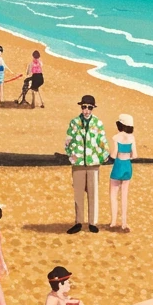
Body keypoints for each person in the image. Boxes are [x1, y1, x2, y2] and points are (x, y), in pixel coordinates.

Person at [65, 94, 109, 234]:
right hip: (78, 162)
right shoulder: (74, 122)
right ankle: (79, 222)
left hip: (93, 163)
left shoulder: (98, 123)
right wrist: (71, 155)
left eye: (89, 107)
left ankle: (92, 223)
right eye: (84, 107)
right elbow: (68, 141)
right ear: (81, 107)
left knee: (93, 193)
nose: (86, 110)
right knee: (78, 193)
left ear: (93, 108)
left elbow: (103, 142)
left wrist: (102, 157)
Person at [108, 113, 137, 232]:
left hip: (118, 165)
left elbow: (114, 154)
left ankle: (113, 221)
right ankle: (124, 223)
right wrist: (128, 156)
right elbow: (135, 155)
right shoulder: (132, 138)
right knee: (124, 196)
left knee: (113, 195)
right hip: (127, 166)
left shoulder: (116, 137)